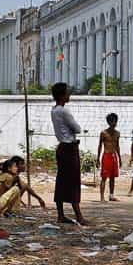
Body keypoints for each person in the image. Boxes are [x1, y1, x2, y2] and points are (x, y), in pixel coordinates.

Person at [50, 82, 86, 225]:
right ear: (62, 95)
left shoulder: (53, 110)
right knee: (73, 182)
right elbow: (77, 128)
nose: (69, 95)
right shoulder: (64, 111)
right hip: (69, 148)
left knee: (61, 181)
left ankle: (61, 214)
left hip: (62, 148)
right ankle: (78, 215)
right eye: (67, 93)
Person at [97, 113, 122, 202]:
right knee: (104, 177)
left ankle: (111, 195)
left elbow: (117, 146)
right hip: (106, 155)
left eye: (115, 121)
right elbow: (100, 146)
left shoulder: (117, 133)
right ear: (109, 122)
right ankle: (102, 197)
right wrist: (98, 159)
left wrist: (119, 158)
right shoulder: (103, 133)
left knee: (112, 177)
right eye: (112, 121)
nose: (114, 123)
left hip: (114, 155)